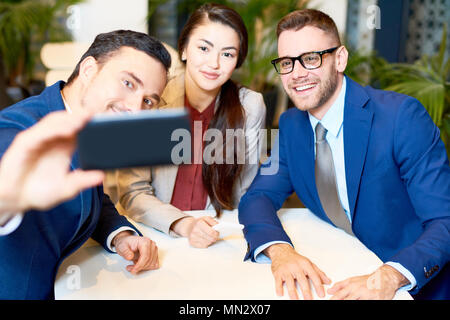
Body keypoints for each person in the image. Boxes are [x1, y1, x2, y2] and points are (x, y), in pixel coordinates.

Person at [238, 9, 450, 300]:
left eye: (310, 58)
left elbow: (445, 220)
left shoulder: (401, 117)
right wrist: (280, 251)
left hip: (413, 287)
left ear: (340, 59)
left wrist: (391, 275)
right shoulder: (291, 126)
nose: (297, 74)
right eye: (287, 63)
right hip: (340, 270)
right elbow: (257, 197)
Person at [0, 30, 171, 299]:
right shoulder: (19, 129)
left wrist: (120, 235)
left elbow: (87, 194)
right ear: (89, 69)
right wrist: (7, 199)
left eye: (148, 101)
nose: (136, 109)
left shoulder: (90, 127)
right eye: (128, 83)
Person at [105, 3, 266, 248]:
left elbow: (246, 193)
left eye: (227, 54)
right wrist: (183, 224)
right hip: (155, 233)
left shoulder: (250, 106)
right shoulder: (151, 101)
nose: (214, 64)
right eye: (203, 48)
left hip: (220, 236)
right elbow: (133, 192)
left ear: (237, 61)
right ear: (183, 49)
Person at [0, 112, 104, 229]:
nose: (129, 107)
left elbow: (91, 199)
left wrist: (119, 235)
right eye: (128, 91)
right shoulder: (11, 127)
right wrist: (9, 201)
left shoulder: (93, 129)